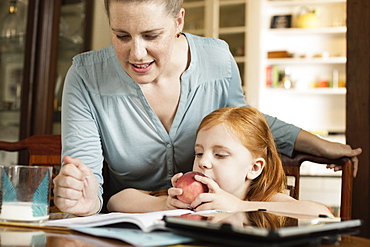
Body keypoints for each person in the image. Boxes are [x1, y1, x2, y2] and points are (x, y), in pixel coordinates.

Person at [53, 0, 362, 216]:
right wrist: (82, 198)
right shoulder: (86, 77)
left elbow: (244, 124)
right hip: (137, 224)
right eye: (121, 36)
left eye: (151, 35)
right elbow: (92, 188)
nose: (136, 53)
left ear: (178, 22)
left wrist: (317, 143)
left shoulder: (216, 59)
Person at [107, 107, 333, 217]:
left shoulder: (262, 199)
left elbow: (322, 213)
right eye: (198, 153)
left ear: (254, 168)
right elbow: (116, 201)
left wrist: (241, 206)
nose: (203, 162)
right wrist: (164, 204)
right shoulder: (191, 199)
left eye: (220, 155)